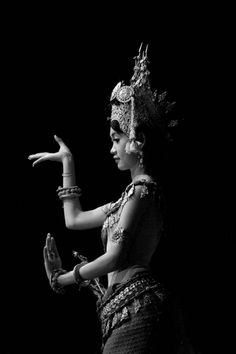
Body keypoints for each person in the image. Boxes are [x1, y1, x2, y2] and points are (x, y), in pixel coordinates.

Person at [28, 44, 193, 353]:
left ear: (137, 141)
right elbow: (74, 219)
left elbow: (114, 257)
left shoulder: (143, 192)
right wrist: (68, 163)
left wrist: (66, 278)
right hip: (122, 311)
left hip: (139, 307)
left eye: (116, 140)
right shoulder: (126, 198)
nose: (112, 149)